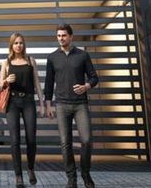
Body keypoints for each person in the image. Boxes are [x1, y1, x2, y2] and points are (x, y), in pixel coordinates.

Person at [45, 24, 98, 188]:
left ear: (71, 36)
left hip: (80, 104)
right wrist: (48, 105)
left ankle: (85, 173)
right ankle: (71, 178)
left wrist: (86, 86)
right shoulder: (52, 57)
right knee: (65, 143)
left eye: (64, 35)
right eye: (59, 36)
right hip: (61, 105)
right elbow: (48, 83)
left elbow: (94, 77)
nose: (61, 38)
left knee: (87, 140)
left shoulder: (82, 55)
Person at [0, 33, 45, 188]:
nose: (18, 45)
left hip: (28, 102)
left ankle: (30, 168)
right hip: (12, 102)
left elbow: (37, 83)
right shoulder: (6, 62)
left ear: (24, 45)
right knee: (15, 140)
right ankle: (18, 175)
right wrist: (6, 80)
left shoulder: (31, 61)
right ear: (11, 45)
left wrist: (42, 104)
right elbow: (0, 83)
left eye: (21, 43)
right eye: (16, 43)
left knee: (31, 139)